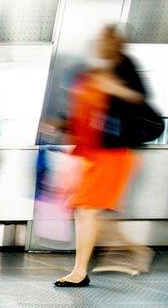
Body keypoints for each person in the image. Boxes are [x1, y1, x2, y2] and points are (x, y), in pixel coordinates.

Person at [56, 25, 152, 287]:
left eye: (105, 41)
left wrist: (114, 88)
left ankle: (80, 271)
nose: (100, 45)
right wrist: (62, 124)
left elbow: (140, 101)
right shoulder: (95, 72)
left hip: (115, 154)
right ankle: (135, 250)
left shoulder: (125, 67)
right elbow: (87, 115)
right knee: (86, 210)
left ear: (115, 44)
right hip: (95, 153)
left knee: (87, 210)